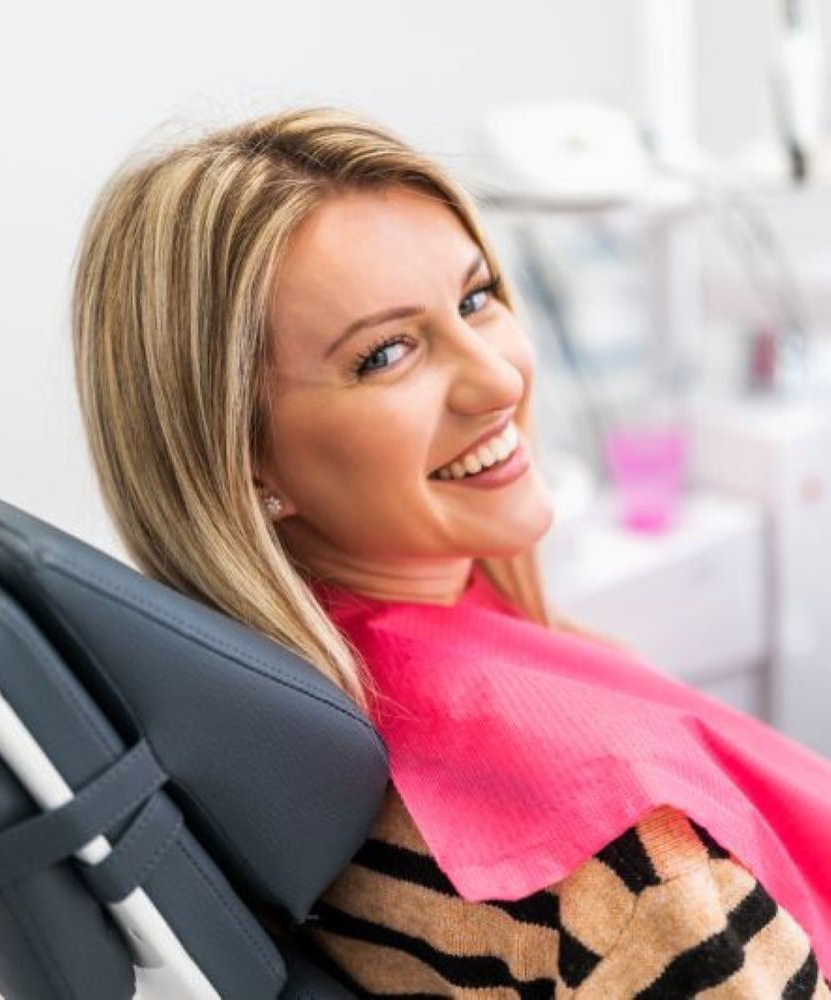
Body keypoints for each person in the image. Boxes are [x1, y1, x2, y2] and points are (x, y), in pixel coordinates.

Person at [70, 105, 831, 997]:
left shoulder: (289, 720)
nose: (501, 377)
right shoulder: (630, 871)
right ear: (241, 459)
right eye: (387, 354)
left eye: (477, 299)